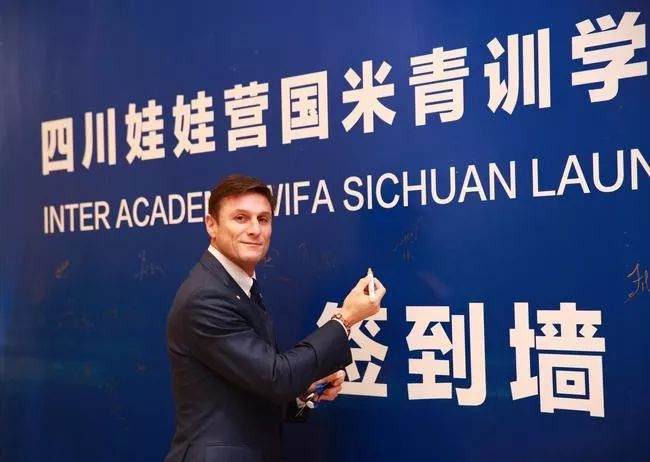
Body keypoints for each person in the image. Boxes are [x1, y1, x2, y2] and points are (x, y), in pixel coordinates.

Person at [165, 174, 386, 462]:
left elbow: (250, 385)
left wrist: (302, 394)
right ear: (211, 224)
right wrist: (345, 319)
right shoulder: (206, 296)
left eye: (263, 219)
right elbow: (276, 377)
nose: (255, 230)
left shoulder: (236, 287)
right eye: (241, 218)